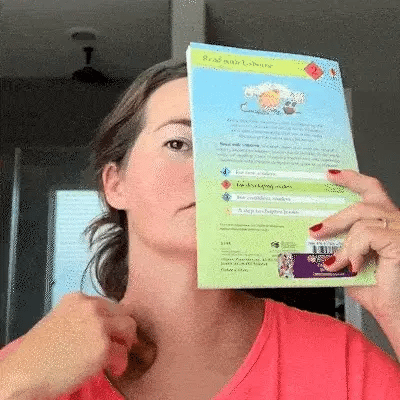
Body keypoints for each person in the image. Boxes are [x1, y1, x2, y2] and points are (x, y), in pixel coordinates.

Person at [1, 59, 400, 400]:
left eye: (235, 148)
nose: (213, 171)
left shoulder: (343, 360)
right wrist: (16, 382)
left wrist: (396, 308)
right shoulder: (25, 368)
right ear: (115, 184)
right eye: (179, 144)